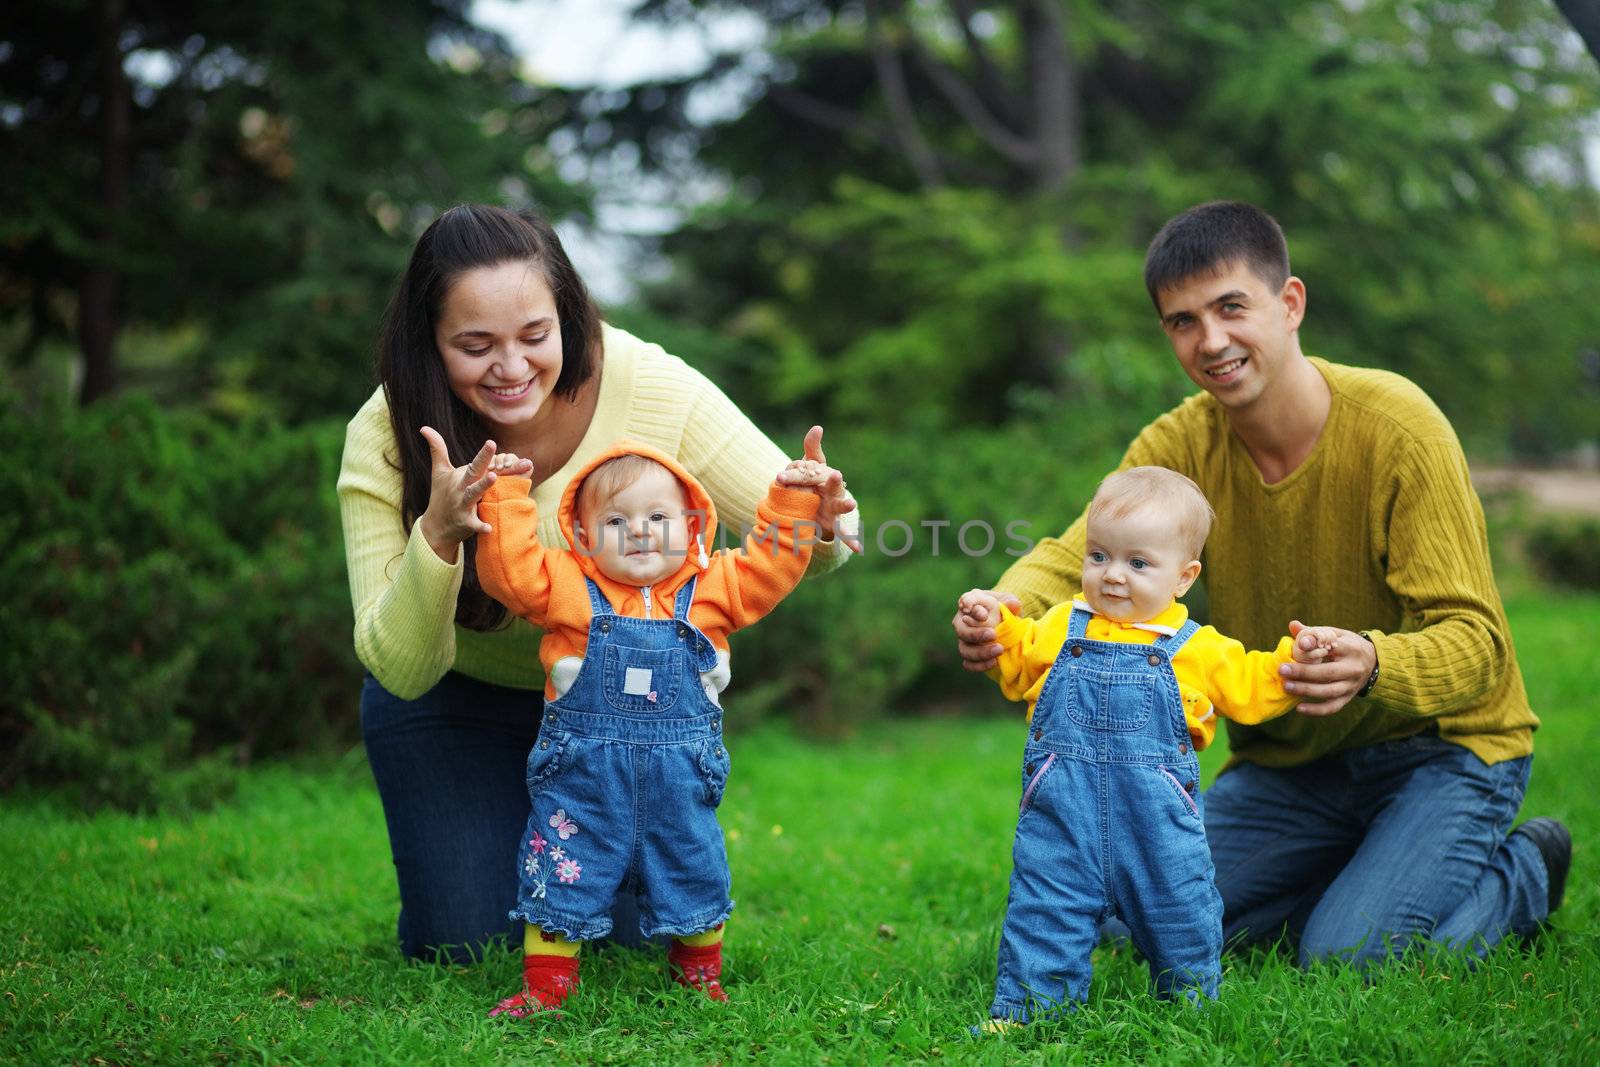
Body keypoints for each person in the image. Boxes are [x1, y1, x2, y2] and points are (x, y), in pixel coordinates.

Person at [953, 200, 1571, 969]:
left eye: (1230, 307)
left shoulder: (1399, 428)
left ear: (1290, 303)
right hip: (1291, 766)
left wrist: (1374, 662)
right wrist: (1004, 603)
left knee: (1349, 957)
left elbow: (1479, 643)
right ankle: (1349, 877)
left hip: (1441, 752)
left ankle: (1526, 868)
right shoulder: (1177, 443)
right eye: (1183, 321)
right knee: (1129, 925)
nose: (1211, 340)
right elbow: (1074, 553)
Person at [337, 204, 856, 963]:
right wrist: (440, 533)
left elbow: (808, 535)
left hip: (629, 720)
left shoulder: (650, 385)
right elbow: (403, 667)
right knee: (467, 945)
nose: (511, 369)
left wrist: (826, 519)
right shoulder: (389, 432)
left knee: (628, 940)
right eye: (474, 346)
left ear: (568, 316)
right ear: (429, 343)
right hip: (457, 705)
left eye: (534, 337)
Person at [472, 439, 834, 1015]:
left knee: (695, 869)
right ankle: (546, 989)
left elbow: (774, 565)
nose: (639, 532)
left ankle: (698, 979)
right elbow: (506, 571)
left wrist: (793, 500)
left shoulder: (715, 585)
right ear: (583, 536)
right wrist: (506, 493)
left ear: (692, 527)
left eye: (658, 517)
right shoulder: (564, 583)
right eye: (616, 521)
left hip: (680, 782)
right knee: (562, 870)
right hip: (583, 785)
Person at [958, 466, 1312, 1027]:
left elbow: (1252, 683)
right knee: (1044, 906)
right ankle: (1030, 1009)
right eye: (1099, 556)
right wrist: (994, 625)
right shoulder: (1061, 624)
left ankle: (1190, 1007)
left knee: (1180, 910)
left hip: (1157, 821)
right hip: (1060, 813)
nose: (1113, 576)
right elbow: (1018, 661)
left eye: (1138, 563)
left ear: (1184, 576)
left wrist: (1298, 663)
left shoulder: (1196, 648)